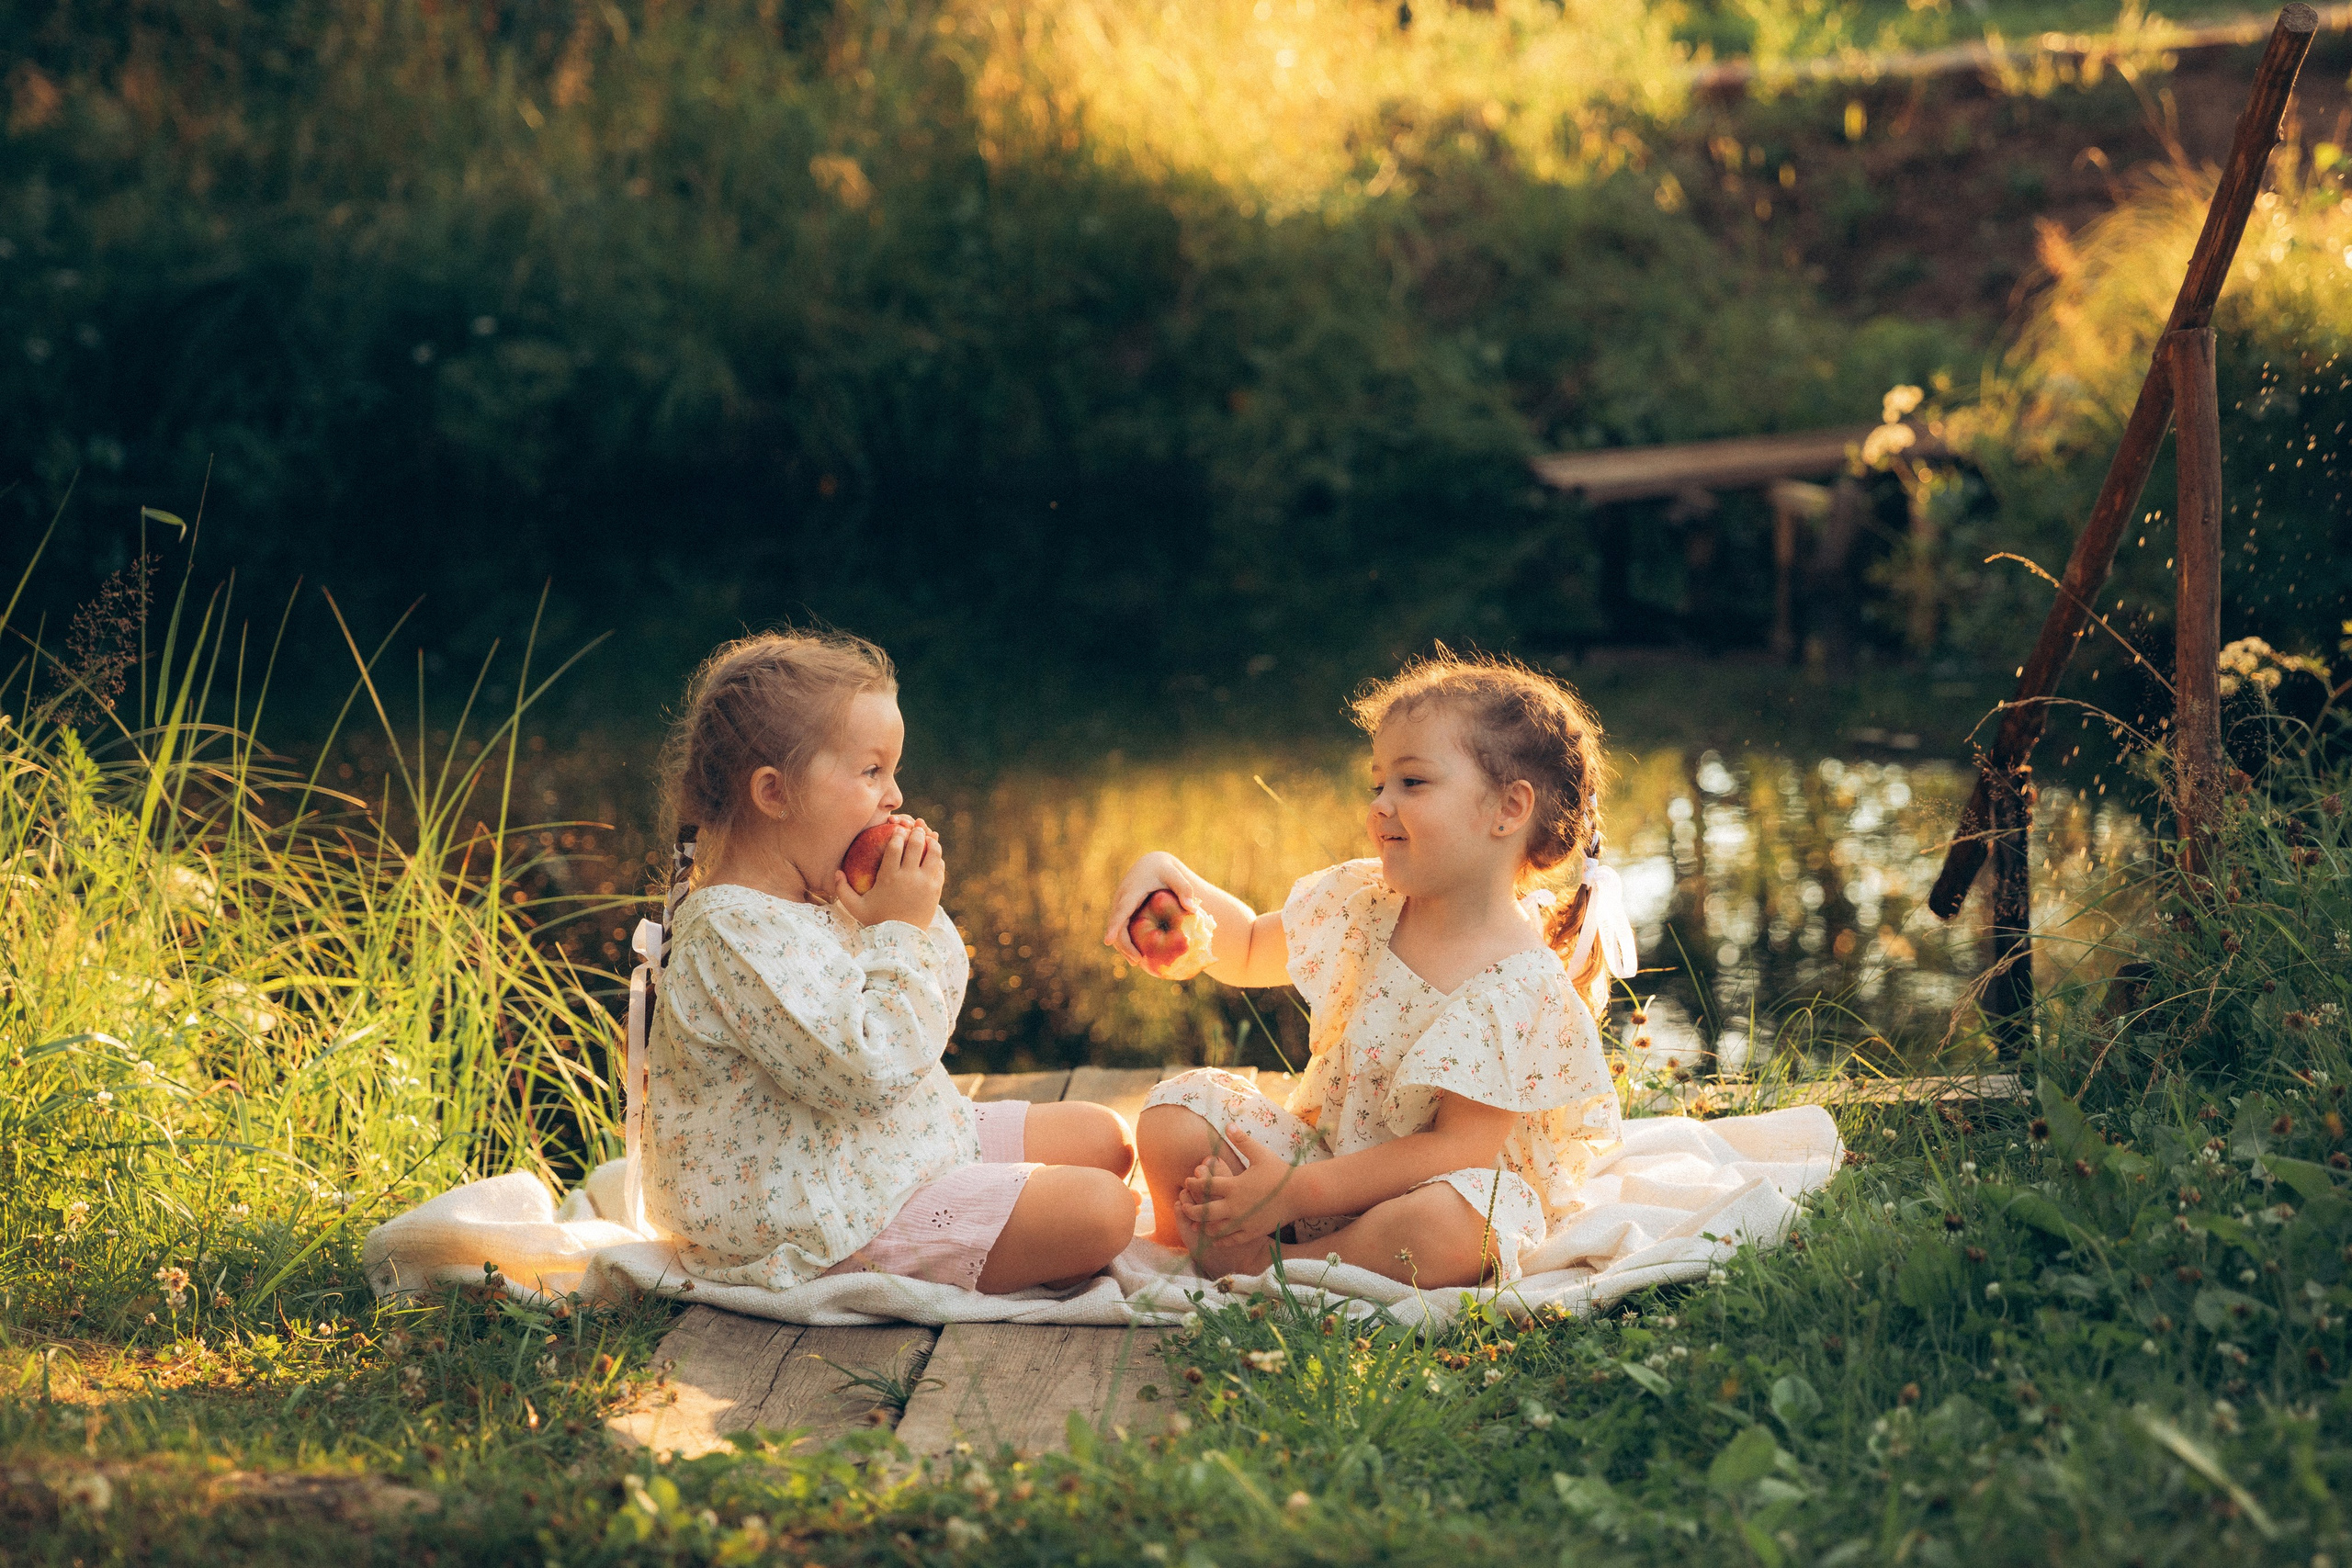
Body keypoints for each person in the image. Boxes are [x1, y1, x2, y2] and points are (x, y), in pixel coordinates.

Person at [1103, 652, 1631, 1288]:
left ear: (1508, 809)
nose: (1380, 805)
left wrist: (1299, 1191)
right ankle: (1245, 1233)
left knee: (1464, 1220)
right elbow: (1242, 945)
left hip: (1419, 1194)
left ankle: (1280, 1263)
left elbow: (1455, 1149)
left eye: (1412, 783)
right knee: (1172, 1113)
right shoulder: (1364, 902)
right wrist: (1166, 874)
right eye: (1377, 784)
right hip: (1322, 1161)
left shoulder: (1521, 985)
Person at [642, 630, 1137, 1293]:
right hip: (821, 1207)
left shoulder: (814, 893)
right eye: (872, 771)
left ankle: (967, 1180)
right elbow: (872, 1071)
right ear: (774, 792)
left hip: (870, 1146)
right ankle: (925, 1230)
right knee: (1106, 1211)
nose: (895, 796)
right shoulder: (732, 933)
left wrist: (914, 915)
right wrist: (899, 927)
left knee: (1104, 1136)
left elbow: (932, 1012)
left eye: (893, 772)